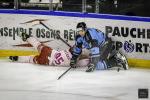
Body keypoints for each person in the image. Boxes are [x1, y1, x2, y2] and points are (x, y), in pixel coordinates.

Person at [9, 32, 90, 68]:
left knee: (38, 45)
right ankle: (17, 58)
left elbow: (76, 49)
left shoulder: (71, 50)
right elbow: (84, 62)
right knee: (31, 59)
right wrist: (91, 60)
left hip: (49, 52)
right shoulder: (73, 62)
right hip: (46, 61)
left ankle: (28, 38)